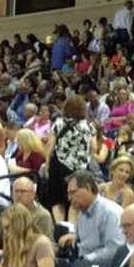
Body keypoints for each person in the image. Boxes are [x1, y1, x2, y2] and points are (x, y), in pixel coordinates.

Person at [45, 95, 100, 223]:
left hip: (59, 166)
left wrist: (47, 163)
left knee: (57, 199)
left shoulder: (58, 123)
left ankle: (60, 226)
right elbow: (94, 147)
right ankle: (72, 227)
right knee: (75, 200)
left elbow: (50, 145)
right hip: (81, 168)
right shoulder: (89, 126)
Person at [59, 170, 125, 267]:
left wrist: (85, 259)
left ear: (88, 188)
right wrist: (74, 237)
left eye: (73, 192)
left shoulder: (110, 212)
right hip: (85, 264)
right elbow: (84, 242)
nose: (69, 198)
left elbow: (114, 250)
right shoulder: (82, 214)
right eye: (68, 194)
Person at [0, 176, 53, 254]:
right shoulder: (7, 212)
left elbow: (43, 248)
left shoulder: (42, 216)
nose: (19, 195)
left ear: (33, 194)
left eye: (23, 191)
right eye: (16, 191)